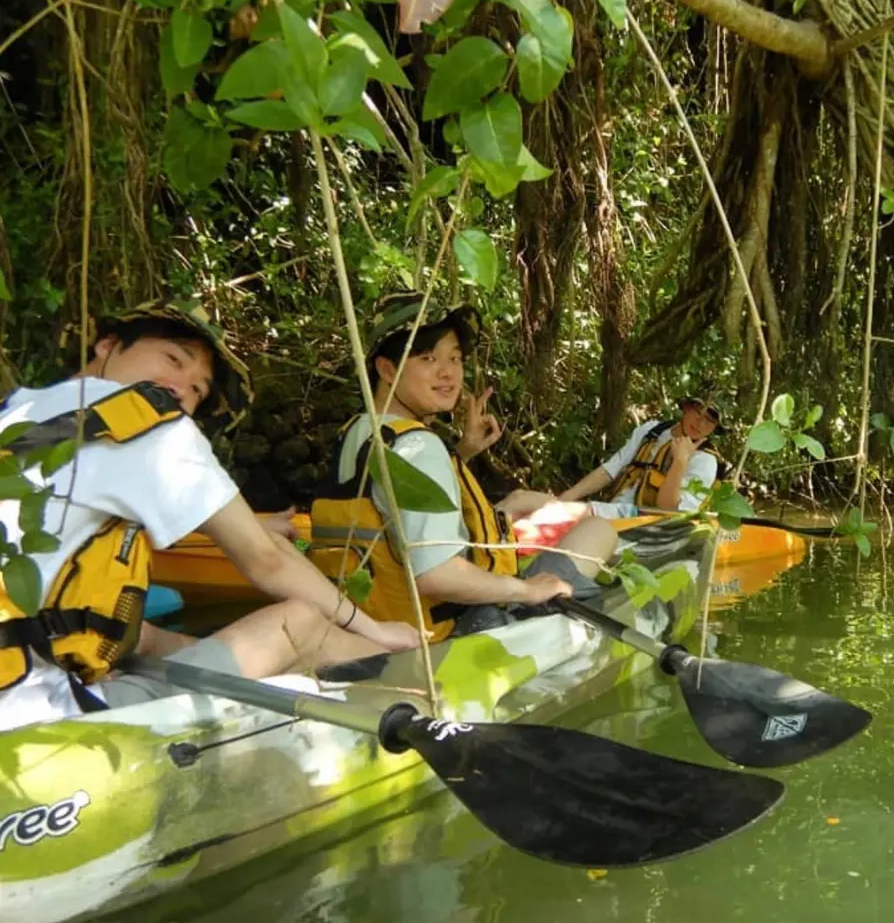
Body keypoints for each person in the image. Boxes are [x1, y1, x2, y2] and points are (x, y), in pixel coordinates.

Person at [0, 300, 420, 733]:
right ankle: (421, 695)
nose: (182, 388)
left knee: (144, 635)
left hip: (25, 678)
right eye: (173, 359)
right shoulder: (144, 418)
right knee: (301, 623)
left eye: (198, 391)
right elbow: (267, 561)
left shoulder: (18, 413)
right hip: (35, 722)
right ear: (108, 344)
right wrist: (375, 628)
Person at [309, 292, 617, 643]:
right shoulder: (419, 446)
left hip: (375, 621)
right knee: (598, 529)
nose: (449, 373)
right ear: (387, 368)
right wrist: (526, 590)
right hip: (452, 631)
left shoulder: (358, 431)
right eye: (428, 358)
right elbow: (435, 575)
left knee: (515, 502)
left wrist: (463, 451)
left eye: (455, 358)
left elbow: (389, 504)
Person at [559, 392, 726, 519]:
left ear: (715, 428)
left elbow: (670, 511)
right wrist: (569, 496)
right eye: (699, 412)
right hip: (613, 509)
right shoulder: (652, 430)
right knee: (553, 508)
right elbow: (610, 470)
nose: (700, 423)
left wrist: (680, 463)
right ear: (687, 408)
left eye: (709, 421)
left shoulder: (705, 460)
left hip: (645, 525)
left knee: (564, 513)